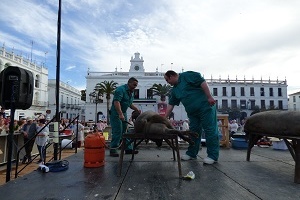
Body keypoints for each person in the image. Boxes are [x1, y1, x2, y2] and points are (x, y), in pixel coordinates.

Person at [164, 70, 219, 164]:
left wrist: (209, 97)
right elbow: (171, 105)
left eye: (167, 80)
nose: (167, 83)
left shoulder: (186, 76)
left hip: (205, 107)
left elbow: (202, 82)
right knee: (193, 132)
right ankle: (192, 153)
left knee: (210, 130)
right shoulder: (174, 90)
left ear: (171, 76)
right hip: (192, 113)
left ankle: (212, 156)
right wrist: (164, 118)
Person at [109, 77, 140, 157]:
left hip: (123, 112)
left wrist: (136, 109)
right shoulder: (120, 89)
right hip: (116, 113)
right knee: (117, 131)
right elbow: (116, 102)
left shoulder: (131, 92)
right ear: (129, 83)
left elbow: (129, 103)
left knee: (125, 131)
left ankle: (128, 148)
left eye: (136, 85)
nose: (135, 87)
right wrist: (120, 114)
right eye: (134, 85)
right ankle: (113, 149)